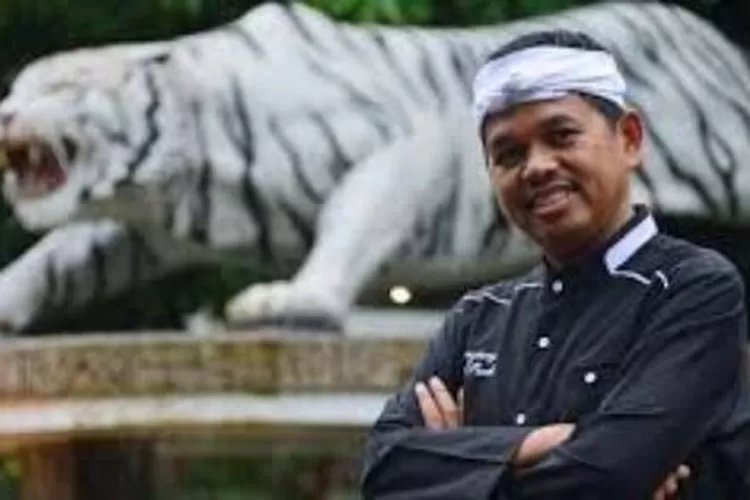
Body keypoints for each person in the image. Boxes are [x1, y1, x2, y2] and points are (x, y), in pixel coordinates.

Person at [360, 30, 750, 499]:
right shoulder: (478, 317)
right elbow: (382, 468)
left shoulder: (693, 289)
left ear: (629, 138)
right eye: (509, 154)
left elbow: (607, 476)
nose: (537, 167)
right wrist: (547, 443)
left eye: (561, 136)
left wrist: (456, 463)